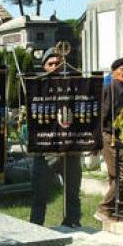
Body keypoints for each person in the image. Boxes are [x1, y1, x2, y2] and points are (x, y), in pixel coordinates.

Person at [29, 48, 82, 227]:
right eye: (50, 64)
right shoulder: (36, 87)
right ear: (44, 66)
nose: (55, 67)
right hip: (45, 151)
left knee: (72, 191)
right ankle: (36, 227)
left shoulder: (75, 85)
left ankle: (72, 222)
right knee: (40, 194)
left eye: (58, 63)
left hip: (70, 149)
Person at [95, 57, 123, 222]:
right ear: (114, 72)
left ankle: (118, 212)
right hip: (108, 136)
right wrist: (97, 139)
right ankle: (104, 209)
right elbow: (101, 115)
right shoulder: (109, 89)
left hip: (121, 137)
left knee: (115, 177)